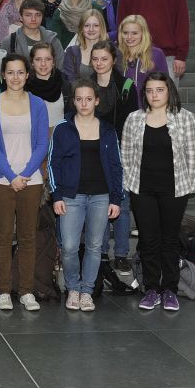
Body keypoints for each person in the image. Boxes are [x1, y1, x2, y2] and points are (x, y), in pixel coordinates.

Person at [121, 72, 195, 311]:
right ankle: (152, 289)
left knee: (170, 240)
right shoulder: (134, 119)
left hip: (175, 189)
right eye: (149, 91)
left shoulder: (185, 118)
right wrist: (128, 182)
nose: (154, 95)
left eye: (159, 90)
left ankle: (170, 291)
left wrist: (191, 184)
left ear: (169, 91)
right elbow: (125, 154)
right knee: (148, 240)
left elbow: (193, 155)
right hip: (142, 189)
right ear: (144, 94)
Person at [49, 78, 122, 312]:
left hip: (101, 196)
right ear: (73, 101)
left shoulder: (107, 129)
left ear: (96, 101)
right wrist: (57, 195)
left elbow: (115, 166)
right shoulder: (63, 128)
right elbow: (53, 163)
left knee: (94, 246)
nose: (84, 103)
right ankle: (73, 287)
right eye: (79, 99)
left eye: (89, 99)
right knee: (69, 246)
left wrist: (115, 198)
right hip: (71, 196)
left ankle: (87, 291)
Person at [0, 53, 49, 311]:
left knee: (27, 236)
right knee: (1, 236)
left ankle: (26, 291)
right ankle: (3, 291)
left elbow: (43, 144)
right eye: (10, 72)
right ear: (3, 75)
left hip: (31, 180)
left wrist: (25, 174)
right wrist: (11, 176)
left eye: (20, 72)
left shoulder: (38, 104)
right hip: (0, 180)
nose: (15, 77)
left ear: (27, 75)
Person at [90, 40, 138, 272]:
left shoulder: (127, 86)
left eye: (104, 59)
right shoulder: (85, 86)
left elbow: (133, 125)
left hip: (120, 151)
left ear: (113, 60)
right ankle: (99, 252)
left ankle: (121, 253)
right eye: (95, 59)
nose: (99, 63)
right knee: (98, 203)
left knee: (121, 202)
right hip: (92, 151)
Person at [117, 15, 169, 108]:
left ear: (143, 33)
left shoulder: (156, 54)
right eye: (125, 33)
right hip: (123, 112)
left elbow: (166, 85)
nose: (129, 37)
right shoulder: (117, 55)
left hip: (149, 111)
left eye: (134, 33)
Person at [0, 0, 65, 70]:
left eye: (38, 15)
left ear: (42, 17)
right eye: (28, 15)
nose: (33, 19)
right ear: (21, 17)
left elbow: (60, 68)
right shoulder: (9, 41)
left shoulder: (53, 40)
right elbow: (3, 70)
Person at [26, 42, 67, 130]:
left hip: (59, 137)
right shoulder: (24, 86)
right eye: (38, 59)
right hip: (33, 137)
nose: (43, 64)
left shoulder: (63, 82)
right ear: (32, 62)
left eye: (48, 59)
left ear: (53, 62)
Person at [63, 9, 108, 85]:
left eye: (96, 25)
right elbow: (69, 82)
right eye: (87, 25)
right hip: (78, 95)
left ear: (102, 28)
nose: (91, 29)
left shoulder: (113, 52)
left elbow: (115, 82)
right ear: (81, 28)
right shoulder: (71, 52)